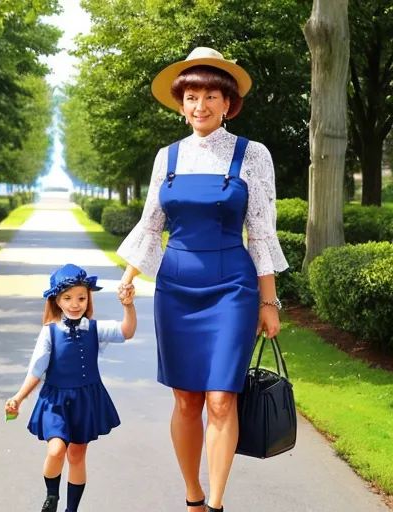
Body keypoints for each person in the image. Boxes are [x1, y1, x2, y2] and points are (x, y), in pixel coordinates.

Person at [116, 47, 288, 512]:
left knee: (220, 398)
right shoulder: (166, 157)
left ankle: (215, 503)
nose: (201, 105)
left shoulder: (253, 155)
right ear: (180, 103)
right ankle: (192, 496)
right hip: (175, 288)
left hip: (233, 287)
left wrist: (267, 303)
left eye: (212, 95)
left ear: (228, 103)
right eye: (192, 96)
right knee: (187, 400)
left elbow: (261, 232)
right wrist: (130, 275)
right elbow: (152, 224)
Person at [5, 264, 137, 512]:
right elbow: (37, 370)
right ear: (57, 300)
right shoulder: (49, 332)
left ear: (88, 299)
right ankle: (52, 496)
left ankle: (71, 509)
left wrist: (128, 305)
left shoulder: (95, 329)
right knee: (56, 451)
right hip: (56, 400)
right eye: (68, 298)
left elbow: (127, 331)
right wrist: (19, 397)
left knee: (76, 455)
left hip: (86, 399)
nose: (75, 304)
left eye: (81, 298)